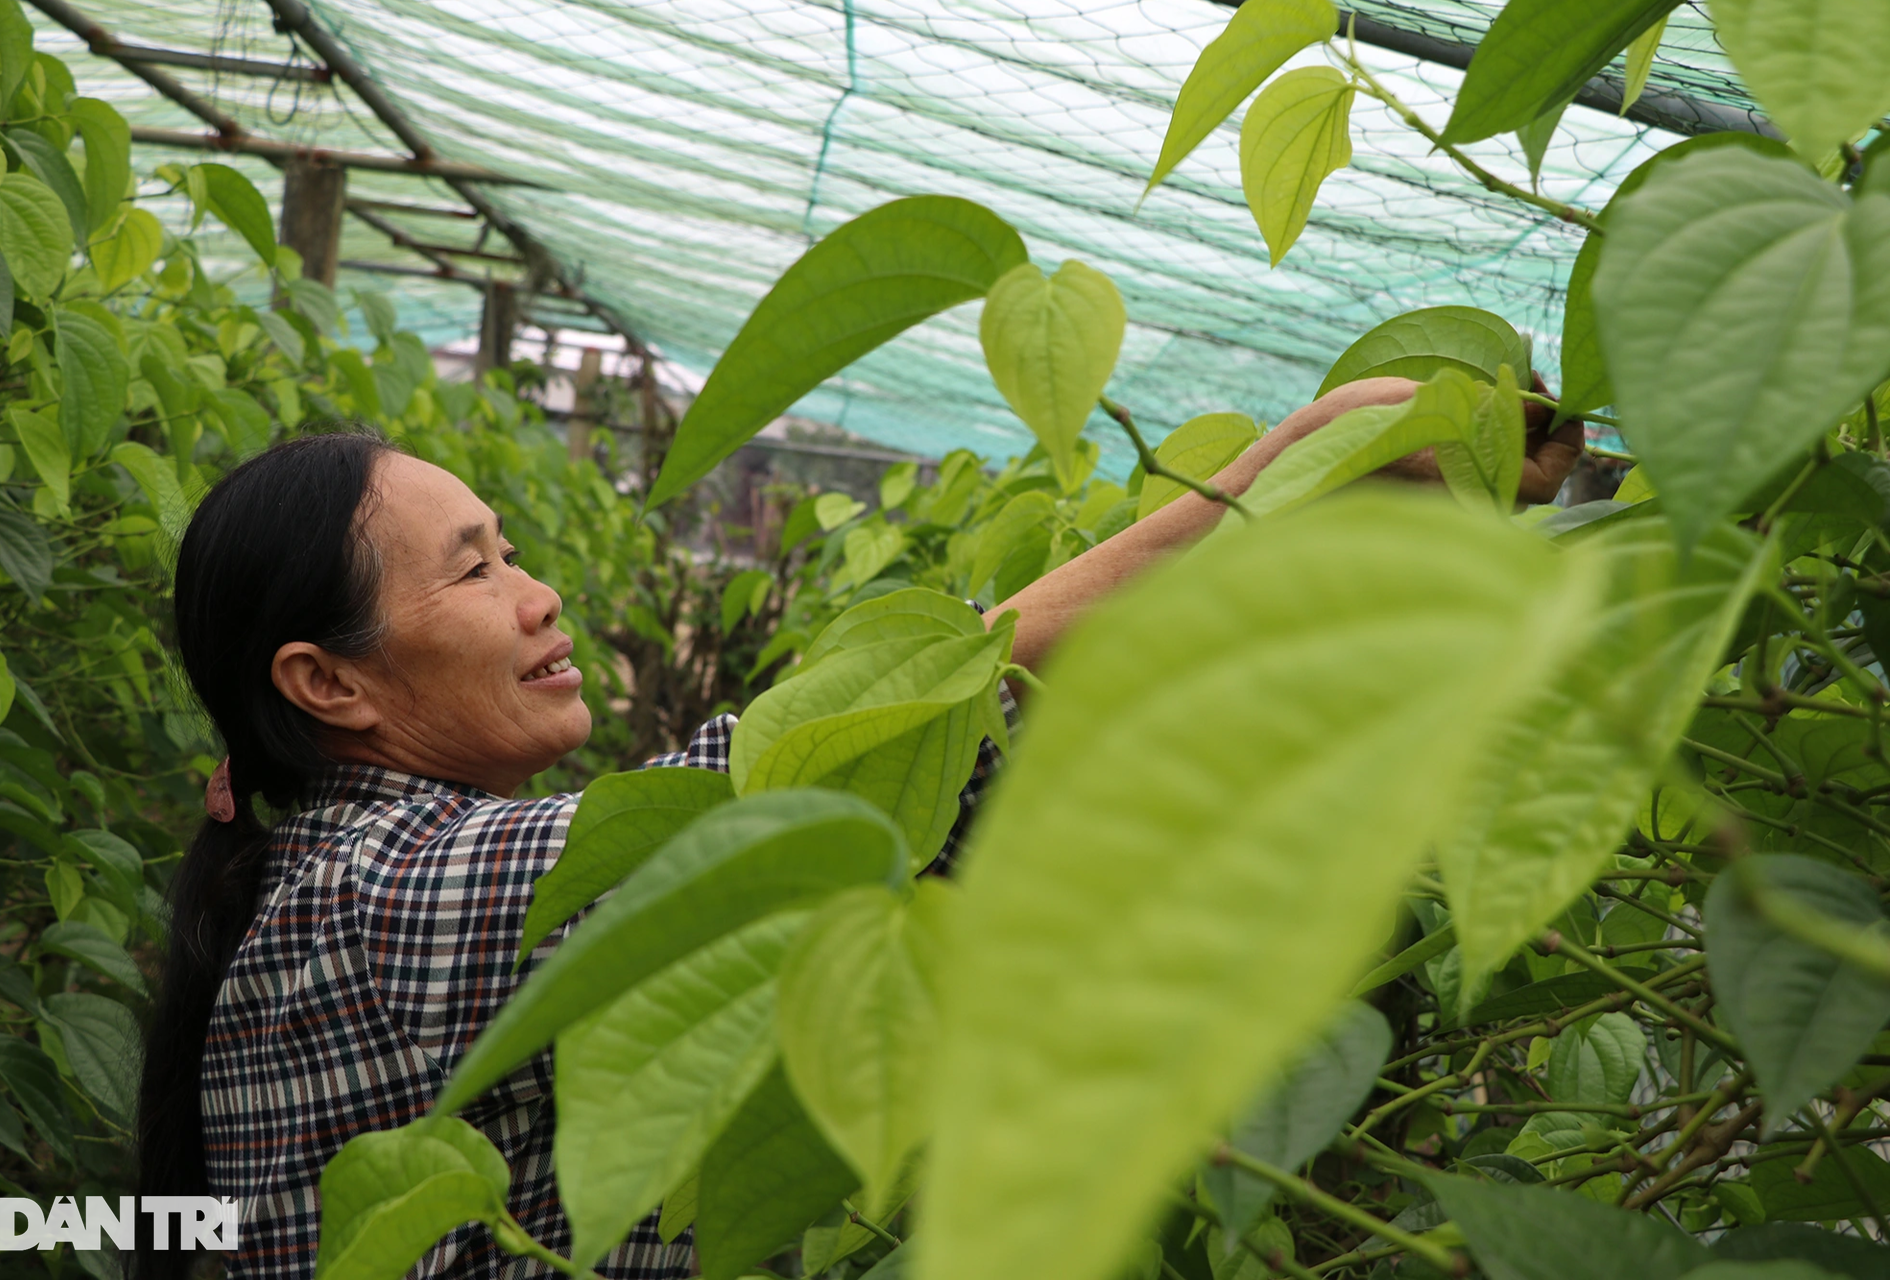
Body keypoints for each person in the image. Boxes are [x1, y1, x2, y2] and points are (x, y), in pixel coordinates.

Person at [135, 377, 1581, 1280]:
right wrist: (1267, 488)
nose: (538, 596)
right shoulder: (364, 900)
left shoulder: (339, 873)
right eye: (472, 574)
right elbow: (760, 806)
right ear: (326, 684)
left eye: (514, 552)